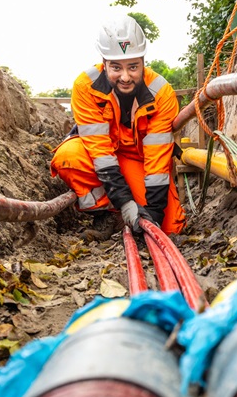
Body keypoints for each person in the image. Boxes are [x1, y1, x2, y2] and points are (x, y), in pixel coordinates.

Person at [50, 15, 186, 240]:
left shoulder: (161, 93)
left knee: (170, 227)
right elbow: (101, 154)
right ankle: (106, 214)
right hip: (102, 158)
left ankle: (137, 214)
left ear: (143, 61)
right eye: (116, 67)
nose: (125, 77)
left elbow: (158, 160)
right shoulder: (86, 87)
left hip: (138, 160)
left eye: (133, 67)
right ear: (104, 63)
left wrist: (153, 211)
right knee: (69, 156)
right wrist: (124, 203)